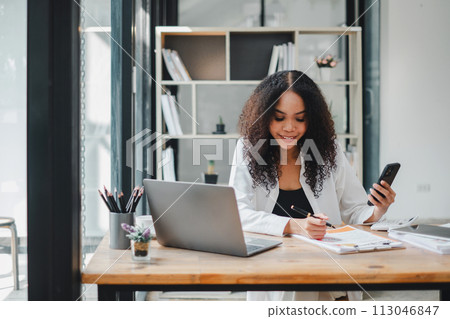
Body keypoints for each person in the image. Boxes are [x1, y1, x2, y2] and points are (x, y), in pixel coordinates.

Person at [228, 70, 396, 301]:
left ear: (312, 118)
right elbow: (239, 214)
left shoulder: (330, 151)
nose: (289, 127)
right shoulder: (247, 150)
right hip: (275, 273)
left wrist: (377, 209)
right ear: (264, 116)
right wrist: (294, 225)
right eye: (279, 118)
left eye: (300, 118)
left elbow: (355, 209)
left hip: (331, 273)